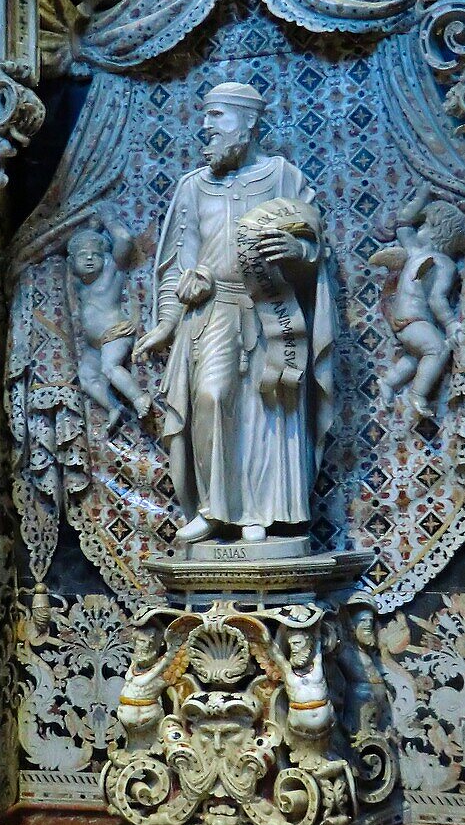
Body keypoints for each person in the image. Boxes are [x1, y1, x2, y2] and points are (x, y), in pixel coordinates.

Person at [133, 82, 334, 545]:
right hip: (215, 312)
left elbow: (315, 246)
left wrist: (297, 250)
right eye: (206, 117)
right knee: (211, 397)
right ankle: (215, 509)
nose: (206, 127)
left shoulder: (284, 177)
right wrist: (167, 319)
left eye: (217, 116)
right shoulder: (193, 187)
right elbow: (175, 261)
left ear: (248, 122)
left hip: (272, 310)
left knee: (268, 408)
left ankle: (260, 513)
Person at [371, 199, 465, 418]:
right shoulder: (441, 262)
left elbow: (403, 223)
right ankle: (418, 394)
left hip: (401, 321)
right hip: (416, 320)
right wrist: (452, 326)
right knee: (437, 349)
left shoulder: (418, 253)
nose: (419, 229)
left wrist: (423, 195)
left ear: (438, 232)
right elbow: (437, 299)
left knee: (417, 356)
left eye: (424, 225)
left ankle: (388, 382)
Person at [68, 221, 150, 430]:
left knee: (110, 367)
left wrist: (108, 217)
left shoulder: (111, 271)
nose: (89, 259)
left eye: (95, 255)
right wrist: (92, 230)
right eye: (82, 255)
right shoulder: (78, 282)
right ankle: (113, 407)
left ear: (105, 259)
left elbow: (124, 239)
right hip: (93, 345)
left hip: (116, 332)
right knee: (86, 378)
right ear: (72, 262)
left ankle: (139, 398)